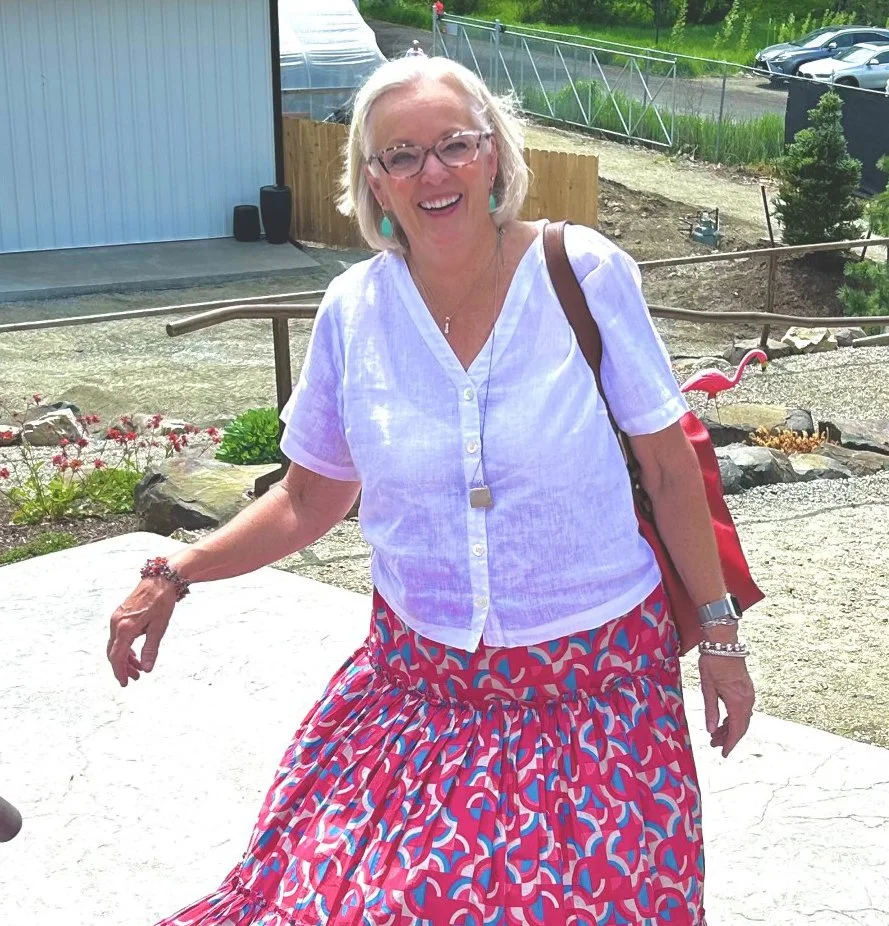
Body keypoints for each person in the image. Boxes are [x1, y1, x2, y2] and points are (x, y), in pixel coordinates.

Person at [107, 54, 755, 926]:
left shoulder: (583, 272)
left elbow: (670, 468)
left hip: (595, 696)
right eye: (400, 156)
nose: (433, 172)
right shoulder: (353, 310)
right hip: (420, 687)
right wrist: (178, 571)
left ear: (495, 155)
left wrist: (720, 639)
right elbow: (310, 498)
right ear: (372, 182)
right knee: (338, 902)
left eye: (454, 143)